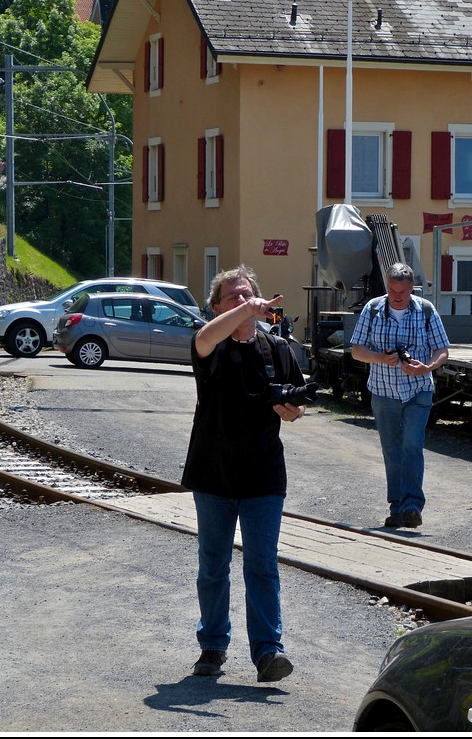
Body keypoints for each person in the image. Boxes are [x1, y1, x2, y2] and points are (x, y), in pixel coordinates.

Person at [181, 264, 308, 683]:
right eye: (233, 296)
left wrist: (293, 411)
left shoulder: (277, 348)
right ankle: (212, 646)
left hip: (263, 474)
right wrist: (246, 309)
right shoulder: (210, 344)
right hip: (213, 473)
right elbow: (204, 338)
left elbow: (298, 400)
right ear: (217, 307)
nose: (243, 301)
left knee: (262, 565)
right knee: (213, 565)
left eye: (248, 294)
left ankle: (269, 652)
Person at [350, 263, 449, 529]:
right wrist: (379, 357)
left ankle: (412, 506)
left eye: (402, 292)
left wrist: (427, 367)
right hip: (384, 391)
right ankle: (397, 507)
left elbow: (442, 350)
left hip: (418, 390)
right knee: (392, 450)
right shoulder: (373, 309)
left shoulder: (426, 310)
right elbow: (356, 350)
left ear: (411, 288)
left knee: (412, 445)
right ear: (387, 286)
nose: (397, 296)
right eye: (392, 291)